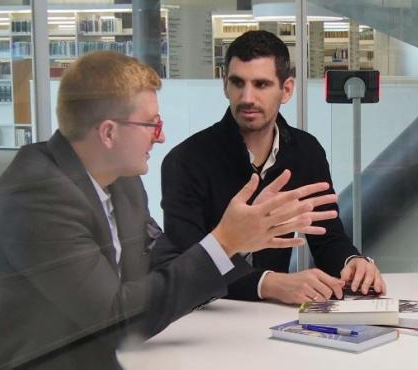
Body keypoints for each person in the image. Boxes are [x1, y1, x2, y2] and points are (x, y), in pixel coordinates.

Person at [0, 51, 339, 369]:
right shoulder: (39, 196)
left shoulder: (121, 180)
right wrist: (225, 242)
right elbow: (117, 322)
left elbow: (162, 262)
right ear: (109, 133)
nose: (160, 136)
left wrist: (238, 244)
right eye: (151, 124)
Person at [160, 30, 384, 305]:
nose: (247, 97)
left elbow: (327, 238)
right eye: (237, 83)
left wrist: (352, 262)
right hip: (204, 315)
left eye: (261, 84)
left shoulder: (306, 151)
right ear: (224, 85)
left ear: (286, 89)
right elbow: (186, 264)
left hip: (272, 316)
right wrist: (268, 283)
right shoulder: (185, 160)